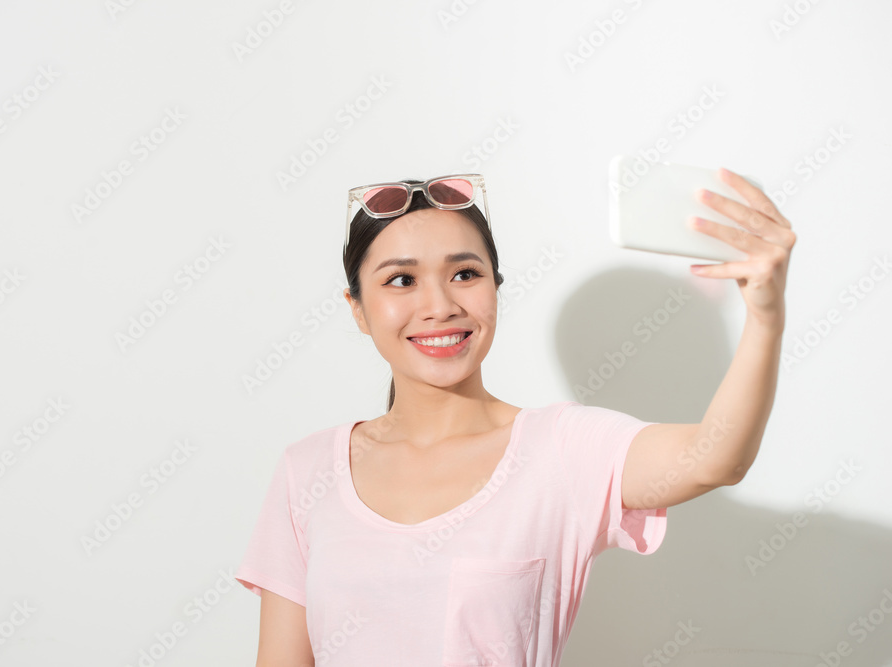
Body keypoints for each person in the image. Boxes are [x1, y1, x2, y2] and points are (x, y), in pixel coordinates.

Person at [235, 172, 795, 666]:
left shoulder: (563, 448)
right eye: (401, 280)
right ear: (357, 308)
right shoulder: (306, 471)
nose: (439, 306)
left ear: (495, 289)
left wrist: (765, 318)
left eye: (465, 274)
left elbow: (715, 458)